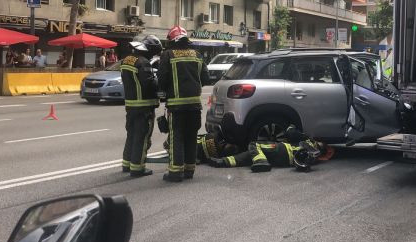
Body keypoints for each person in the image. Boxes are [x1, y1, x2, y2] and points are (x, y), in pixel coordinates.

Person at [158, 26, 210, 182]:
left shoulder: (168, 55)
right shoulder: (197, 55)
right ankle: (189, 170)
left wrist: (162, 96)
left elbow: (162, 78)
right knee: (191, 137)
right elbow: (206, 79)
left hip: (176, 106)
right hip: (195, 105)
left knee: (177, 138)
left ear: (172, 40)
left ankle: (175, 172)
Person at [120, 35, 162, 177]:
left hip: (130, 106)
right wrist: (159, 82)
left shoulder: (127, 60)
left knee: (131, 135)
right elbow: (149, 84)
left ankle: (127, 164)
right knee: (142, 137)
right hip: (144, 106)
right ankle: (138, 168)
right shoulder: (143, 62)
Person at [207, 127, 326, 172]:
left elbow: (290, 133)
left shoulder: (310, 143)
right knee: (251, 155)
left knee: (254, 145)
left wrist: (292, 127)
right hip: (283, 159)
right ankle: (223, 162)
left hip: (283, 150)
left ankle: (261, 162)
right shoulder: (313, 153)